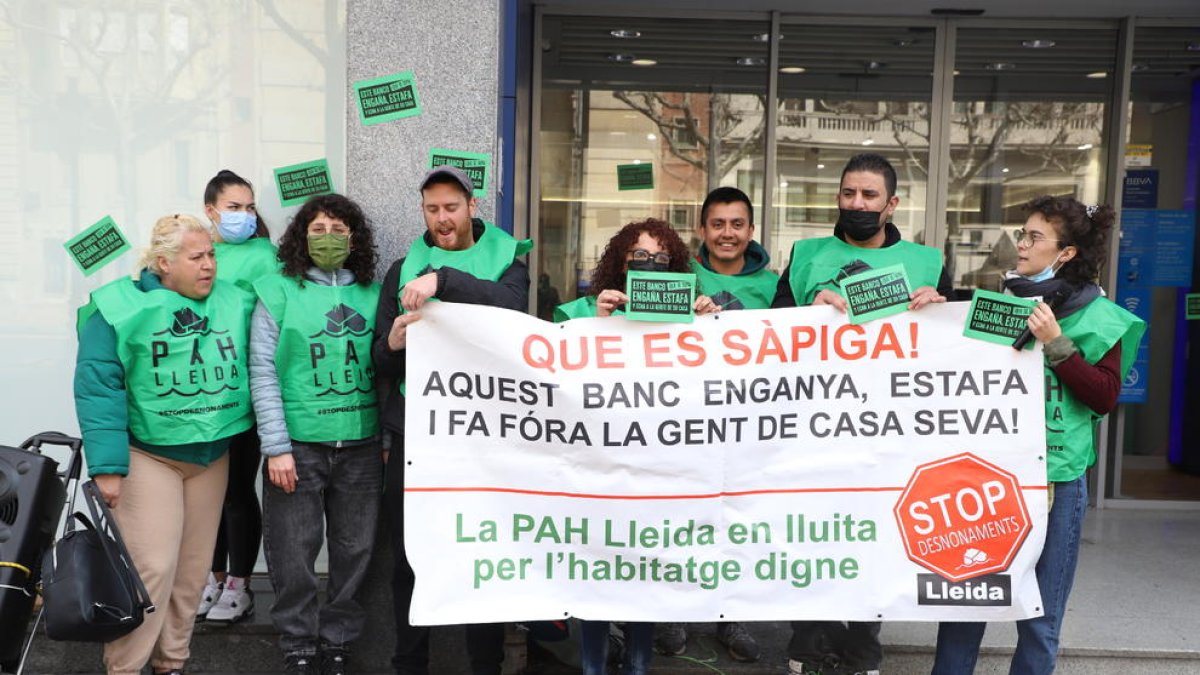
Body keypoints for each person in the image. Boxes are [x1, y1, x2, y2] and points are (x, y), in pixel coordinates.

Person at [932, 197, 1144, 675]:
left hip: (1058, 483)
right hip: (988, 483)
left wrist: (1055, 344)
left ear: (1065, 253)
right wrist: (933, 311)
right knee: (967, 609)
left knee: (1041, 621)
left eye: (1032, 237)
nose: (1020, 245)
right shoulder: (1004, 304)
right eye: (1021, 234)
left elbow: (1104, 396)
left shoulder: (1103, 317)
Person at [772, 153, 950, 675]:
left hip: (887, 426)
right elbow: (768, 334)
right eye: (849, 193)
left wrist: (938, 307)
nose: (857, 204)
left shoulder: (929, 261)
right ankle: (807, 641)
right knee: (812, 531)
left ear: (891, 204)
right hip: (813, 422)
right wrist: (808, 312)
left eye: (869, 196)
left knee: (874, 534)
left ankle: (863, 646)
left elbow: (955, 345)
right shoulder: (804, 256)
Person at [74, 214, 254, 675]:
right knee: (151, 569)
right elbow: (100, 387)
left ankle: (171, 665)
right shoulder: (116, 308)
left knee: (192, 575)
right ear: (163, 262)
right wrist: (107, 466)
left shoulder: (234, 301)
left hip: (210, 454)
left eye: (211, 254)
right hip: (147, 454)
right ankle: (125, 669)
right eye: (196, 257)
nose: (209, 265)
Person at [372, 165, 531, 675]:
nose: (442, 218)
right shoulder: (401, 269)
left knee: (482, 554)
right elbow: (378, 358)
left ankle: (485, 666)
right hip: (415, 434)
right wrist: (393, 344)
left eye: (451, 207)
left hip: (485, 438)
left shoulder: (509, 258)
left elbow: (508, 309)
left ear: (472, 207)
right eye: (432, 208)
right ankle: (408, 665)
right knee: (408, 558)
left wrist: (444, 279)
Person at [554, 218, 719, 675]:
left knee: (646, 572)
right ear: (619, 263)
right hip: (597, 468)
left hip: (658, 470)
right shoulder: (578, 313)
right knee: (595, 570)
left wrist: (711, 328)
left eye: (659, 258)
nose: (648, 265)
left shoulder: (691, 320)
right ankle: (593, 665)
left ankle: (639, 666)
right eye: (638, 257)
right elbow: (559, 382)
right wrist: (599, 324)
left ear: (675, 267)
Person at [249, 193, 382, 675]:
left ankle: (339, 641)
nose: (328, 237)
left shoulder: (373, 292)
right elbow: (262, 370)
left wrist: (384, 441)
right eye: (318, 228)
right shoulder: (276, 290)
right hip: (298, 448)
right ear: (302, 236)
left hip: (362, 447)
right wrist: (277, 446)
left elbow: (388, 368)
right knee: (293, 553)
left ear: (355, 237)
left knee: (355, 551)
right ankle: (299, 646)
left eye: (339, 228)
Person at [654, 188, 774, 663]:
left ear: (750, 230)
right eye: (718, 224)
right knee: (683, 519)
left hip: (746, 423)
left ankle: (732, 618)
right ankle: (674, 614)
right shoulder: (680, 276)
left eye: (737, 224)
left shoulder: (774, 286)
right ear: (702, 230)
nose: (728, 233)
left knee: (737, 523)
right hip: (685, 419)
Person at [197, 169, 278, 624]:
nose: (245, 216)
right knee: (206, 494)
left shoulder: (265, 256)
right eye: (234, 207)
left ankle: (239, 585)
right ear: (210, 211)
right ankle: (211, 576)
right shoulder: (198, 252)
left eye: (249, 207)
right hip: (199, 394)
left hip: (244, 394)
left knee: (236, 492)